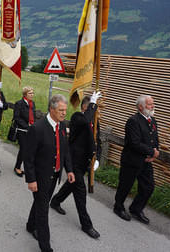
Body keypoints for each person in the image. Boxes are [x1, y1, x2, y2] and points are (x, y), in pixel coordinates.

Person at [24, 94, 75, 252]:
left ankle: (30, 225)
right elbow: (28, 157)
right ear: (51, 109)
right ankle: (46, 247)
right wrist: (31, 180)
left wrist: (69, 170)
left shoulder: (61, 127)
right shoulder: (37, 128)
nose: (63, 113)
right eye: (60, 110)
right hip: (40, 177)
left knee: (41, 203)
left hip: (55, 176)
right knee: (43, 210)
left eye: (65, 110)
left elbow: (64, 150)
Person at [50, 92, 102, 239]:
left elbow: (97, 141)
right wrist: (93, 103)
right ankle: (87, 225)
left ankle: (55, 201)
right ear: (85, 107)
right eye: (93, 107)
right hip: (74, 161)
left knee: (71, 185)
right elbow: (85, 122)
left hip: (86, 163)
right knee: (80, 192)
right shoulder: (78, 117)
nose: (96, 111)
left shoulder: (94, 121)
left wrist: (96, 158)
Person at [114, 95, 159, 224]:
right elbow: (134, 143)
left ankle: (136, 209)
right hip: (132, 161)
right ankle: (118, 207)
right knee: (125, 186)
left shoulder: (153, 120)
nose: (152, 106)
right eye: (150, 104)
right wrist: (152, 152)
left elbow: (154, 138)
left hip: (146, 161)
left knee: (148, 187)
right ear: (141, 107)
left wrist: (155, 151)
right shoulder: (133, 121)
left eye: (152, 103)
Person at [13, 86, 36, 177]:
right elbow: (17, 117)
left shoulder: (32, 104)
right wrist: (26, 126)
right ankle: (17, 167)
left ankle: (19, 166)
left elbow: (33, 116)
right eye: (30, 93)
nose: (32, 95)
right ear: (25, 94)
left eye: (33, 93)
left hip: (30, 130)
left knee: (26, 150)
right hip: (21, 129)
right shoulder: (19, 103)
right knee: (23, 148)